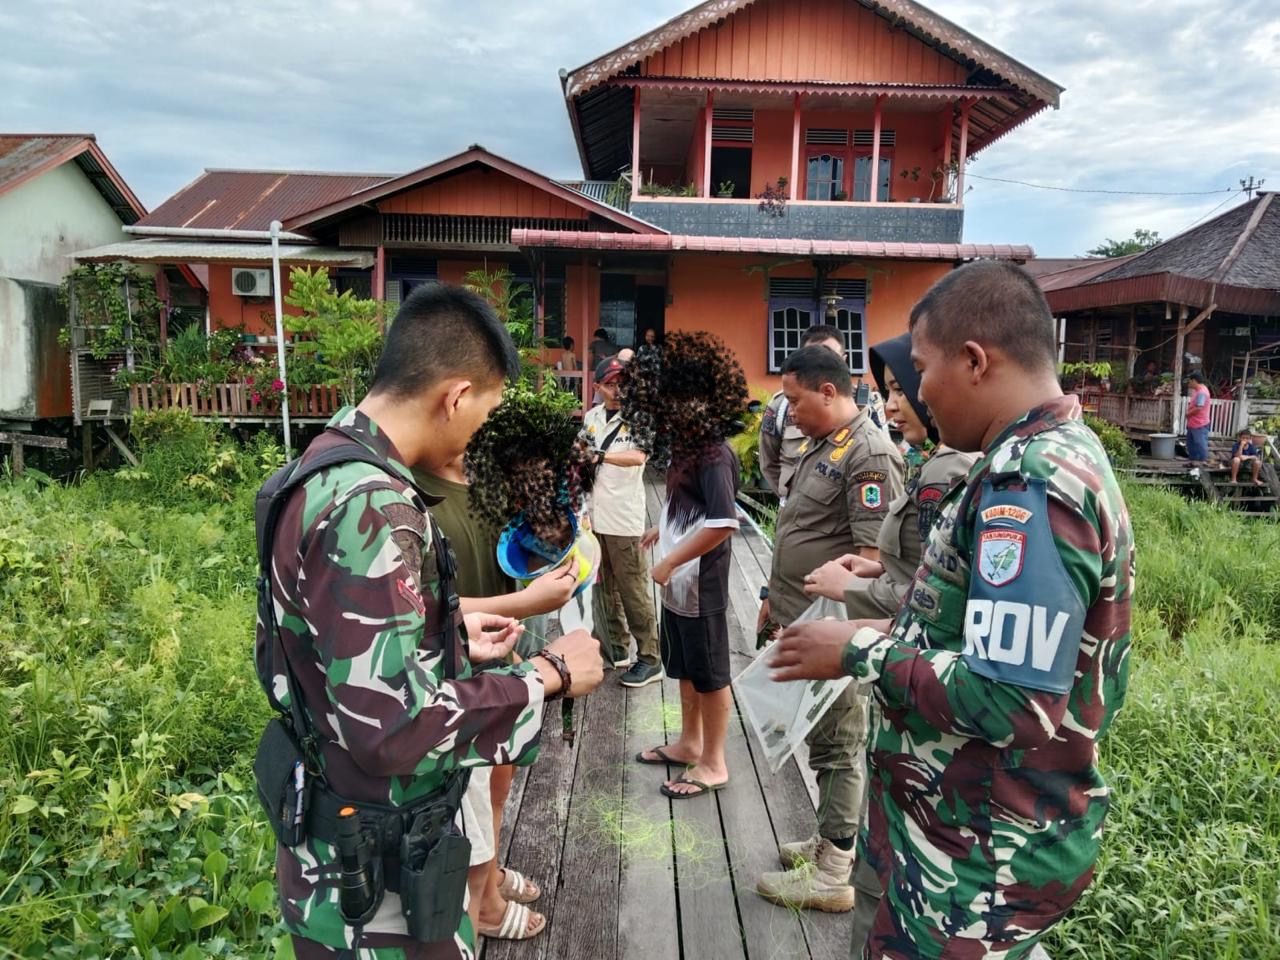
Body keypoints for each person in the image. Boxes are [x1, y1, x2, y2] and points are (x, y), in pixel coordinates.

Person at [771, 260, 1134, 958]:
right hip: (952, 831)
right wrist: (886, 626)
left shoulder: (1029, 482)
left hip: (977, 860)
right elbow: (981, 636)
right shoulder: (1042, 455)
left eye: (922, 368)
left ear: (973, 360)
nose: (918, 392)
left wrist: (858, 650)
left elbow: (1012, 698)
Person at [257, 283, 604, 960]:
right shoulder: (371, 507)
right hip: (379, 888)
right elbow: (392, 730)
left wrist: (446, 638)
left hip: (339, 849)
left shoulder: (319, 468)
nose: (481, 432)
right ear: (456, 396)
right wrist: (547, 675)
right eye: (487, 410)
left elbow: (321, 650)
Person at [797, 332, 977, 952]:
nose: (896, 403)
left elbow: (930, 599)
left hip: (913, 686)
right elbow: (920, 569)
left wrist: (851, 591)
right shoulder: (931, 461)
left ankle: (834, 860)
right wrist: (876, 570)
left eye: (905, 387)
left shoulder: (947, 473)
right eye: (892, 389)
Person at [754, 345, 905, 912]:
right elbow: (801, 529)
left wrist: (840, 635)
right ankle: (829, 839)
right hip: (801, 615)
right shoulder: (824, 444)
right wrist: (774, 599)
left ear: (827, 391)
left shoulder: (869, 454)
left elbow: (871, 559)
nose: (789, 413)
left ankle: (834, 871)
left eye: (794, 401)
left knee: (840, 742)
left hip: (836, 630)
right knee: (821, 737)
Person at [413, 455, 580, 943]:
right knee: (469, 797)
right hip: (455, 668)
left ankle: (488, 874)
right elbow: (415, 608)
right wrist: (524, 603)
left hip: (500, 654)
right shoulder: (405, 490)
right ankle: (483, 903)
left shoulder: (486, 471)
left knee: (496, 789)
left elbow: (519, 550)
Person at [634, 330, 749, 800]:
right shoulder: (686, 443)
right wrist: (661, 529)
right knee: (683, 667)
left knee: (710, 673)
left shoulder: (715, 454)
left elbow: (723, 523)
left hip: (700, 585)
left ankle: (714, 761)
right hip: (678, 584)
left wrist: (670, 561)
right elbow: (690, 504)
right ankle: (689, 742)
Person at [582, 356, 663, 686]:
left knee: (634, 591)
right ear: (597, 387)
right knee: (604, 589)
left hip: (624, 519)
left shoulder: (640, 418)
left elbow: (638, 457)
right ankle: (615, 649)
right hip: (595, 516)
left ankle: (650, 658)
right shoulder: (591, 417)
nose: (618, 390)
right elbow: (582, 453)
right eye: (611, 384)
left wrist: (601, 456)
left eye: (623, 384)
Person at [759, 324, 848, 500]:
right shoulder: (781, 406)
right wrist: (790, 498)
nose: (821, 366)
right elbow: (768, 462)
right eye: (813, 359)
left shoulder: (863, 406)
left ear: (843, 360)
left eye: (830, 357)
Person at [1185, 370, 1211, 464]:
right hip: (1194, 423)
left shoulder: (1202, 392)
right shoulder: (1198, 391)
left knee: (1200, 444)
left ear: (1194, 381)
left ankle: (1202, 463)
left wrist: (1188, 414)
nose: (1188, 383)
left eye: (1190, 381)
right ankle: (1193, 463)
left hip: (1199, 423)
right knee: (1191, 445)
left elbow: (1199, 407)